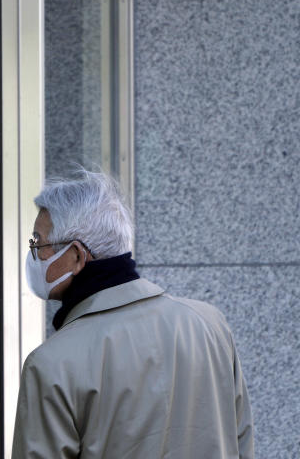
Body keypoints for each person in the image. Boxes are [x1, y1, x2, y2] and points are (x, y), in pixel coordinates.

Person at [13, 169, 254, 458]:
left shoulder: (52, 363)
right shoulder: (209, 325)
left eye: (38, 244)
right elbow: (242, 442)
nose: (34, 255)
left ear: (77, 256)